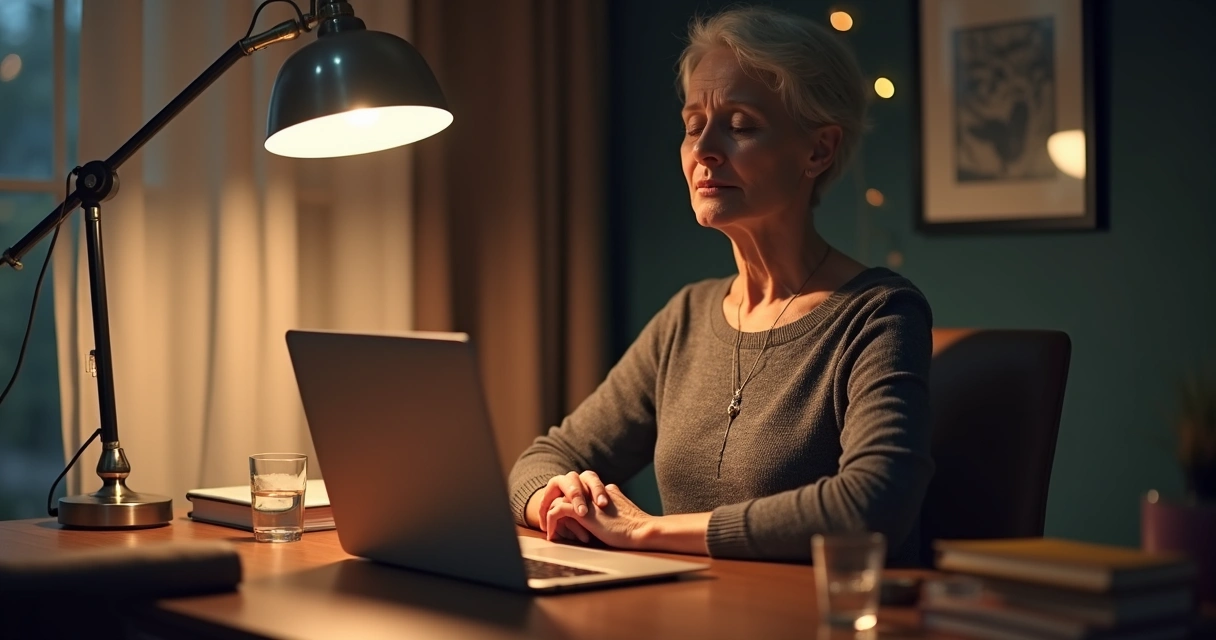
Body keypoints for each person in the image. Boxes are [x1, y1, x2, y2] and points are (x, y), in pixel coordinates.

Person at [507, 5, 934, 566]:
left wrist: (646, 532)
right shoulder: (686, 316)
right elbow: (546, 455)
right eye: (692, 126)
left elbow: (870, 503)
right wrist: (554, 501)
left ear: (819, 150)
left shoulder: (879, 313)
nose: (704, 149)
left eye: (740, 126)